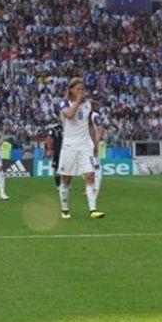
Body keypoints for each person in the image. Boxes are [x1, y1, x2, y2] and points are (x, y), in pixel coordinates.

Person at [57, 78, 104, 220]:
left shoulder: (89, 105)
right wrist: (77, 101)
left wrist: (94, 142)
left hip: (85, 146)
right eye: (78, 89)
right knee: (66, 180)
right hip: (70, 145)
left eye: (83, 89)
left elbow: (89, 124)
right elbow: (70, 115)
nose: (81, 92)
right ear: (71, 90)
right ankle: (65, 208)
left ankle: (93, 210)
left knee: (90, 176)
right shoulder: (64, 103)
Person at [90, 104, 105, 196]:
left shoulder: (95, 116)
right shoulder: (84, 117)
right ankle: (91, 187)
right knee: (87, 167)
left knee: (96, 166)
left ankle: (96, 189)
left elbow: (101, 129)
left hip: (94, 144)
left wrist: (96, 142)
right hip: (86, 144)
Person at [47, 118, 63, 189]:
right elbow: (49, 138)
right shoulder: (53, 129)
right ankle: (58, 185)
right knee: (56, 168)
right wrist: (49, 149)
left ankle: (65, 183)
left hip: (67, 150)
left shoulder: (68, 127)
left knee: (67, 168)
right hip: (57, 151)